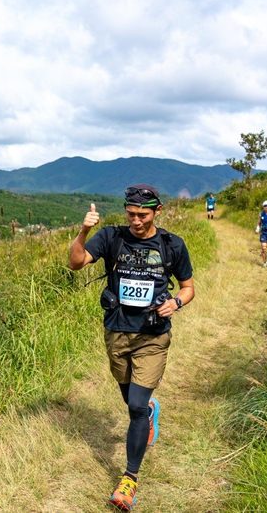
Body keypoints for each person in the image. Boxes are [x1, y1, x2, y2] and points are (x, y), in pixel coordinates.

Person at [68, 184, 195, 511]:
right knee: (130, 400)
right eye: (131, 214)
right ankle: (150, 411)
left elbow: (188, 287)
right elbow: (76, 262)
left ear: (157, 212)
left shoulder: (172, 245)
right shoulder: (111, 237)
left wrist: (177, 303)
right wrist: (84, 230)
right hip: (118, 332)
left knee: (136, 405)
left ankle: (129, 480)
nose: (136, 221)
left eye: (143, 215)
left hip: (153, 336)